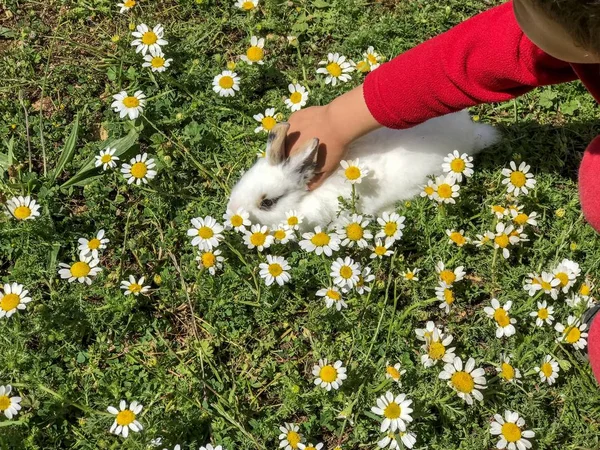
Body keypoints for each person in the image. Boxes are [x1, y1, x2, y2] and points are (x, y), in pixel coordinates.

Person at [285, 0, 600, 383]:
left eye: (523, 8)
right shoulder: (568, 27)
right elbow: (474, 57)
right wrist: (338, 119)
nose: (514, 12)